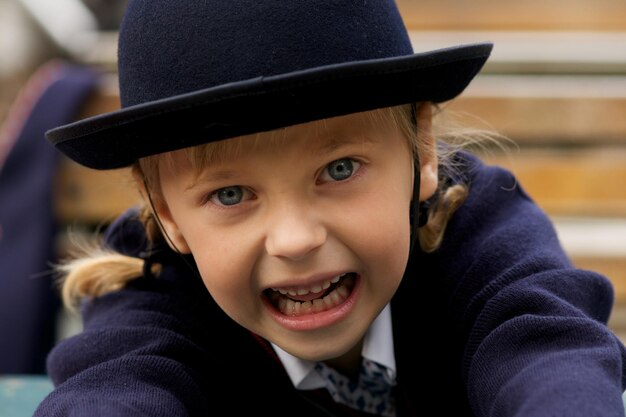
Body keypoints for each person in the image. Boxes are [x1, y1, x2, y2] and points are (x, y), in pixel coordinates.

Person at [34, 0, 626, 416]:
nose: (294, 239)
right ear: (164, 210)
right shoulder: (151, 280)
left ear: (421, 149)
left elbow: (542, 351)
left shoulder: (479, 226)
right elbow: (117, 386)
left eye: (339, 170)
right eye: (230, 194)